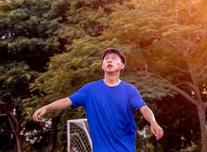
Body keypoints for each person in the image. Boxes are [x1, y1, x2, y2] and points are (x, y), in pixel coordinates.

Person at [33, 48, 163, 152]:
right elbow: (67, 101)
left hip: (125, 148)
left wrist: (153, 121)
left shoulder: (130, 90)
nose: (109, 60)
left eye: (114, 58)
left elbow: (144, 108)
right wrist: (47, 107)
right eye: (106, 58)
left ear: (122, 65)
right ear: (102, 66)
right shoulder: (90, 90)